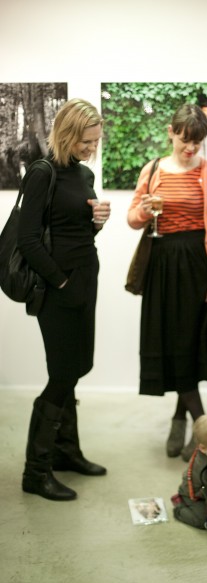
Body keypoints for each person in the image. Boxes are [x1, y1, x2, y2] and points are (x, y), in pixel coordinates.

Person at [127, 104, 207, 462]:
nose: (190, 148)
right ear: (171, 132)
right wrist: (144, 210)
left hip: (197, 268)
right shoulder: (153, 170)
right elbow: (132, 219)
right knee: (172, 343)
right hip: (161, 268)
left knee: (189, 346)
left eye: (197, 143)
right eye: (185, 140)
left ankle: (196, 430)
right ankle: (195, 425)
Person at [17, 98, 111, 502]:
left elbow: (78, 232)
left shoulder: (84, 174)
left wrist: (97, 223)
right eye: (85, 141)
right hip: (58, 289)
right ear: (66, 134)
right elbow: (28, 240)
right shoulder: (42, 173)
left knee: (77, 368)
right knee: (61, 374)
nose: (91, 148)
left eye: (96, 141)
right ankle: (35, 472)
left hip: (86, 280)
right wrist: (60, 282)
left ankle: (66, 452)